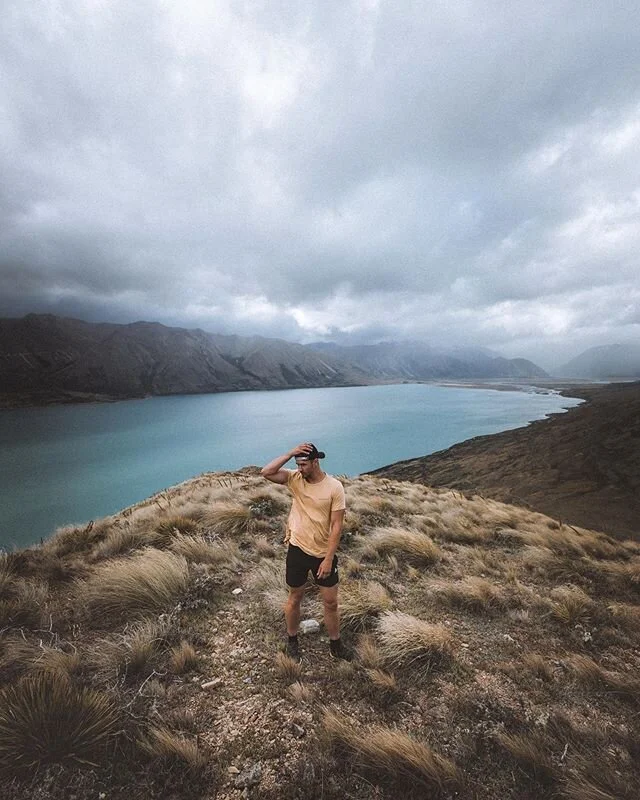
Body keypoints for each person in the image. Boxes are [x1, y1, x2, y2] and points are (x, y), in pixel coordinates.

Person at [260, 442, 352, 661]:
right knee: (295, 597)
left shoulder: (334, 487)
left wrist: (328, 559)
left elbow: (337, 525)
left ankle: (335, 645)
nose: (300, 469)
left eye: (304, 464)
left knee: (330, 602)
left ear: (315, 462)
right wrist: (290, 453)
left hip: (323, 552)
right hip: (298, 549)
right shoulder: (294, 478)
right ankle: (292, 640)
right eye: (298, 464)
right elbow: (266, 472)